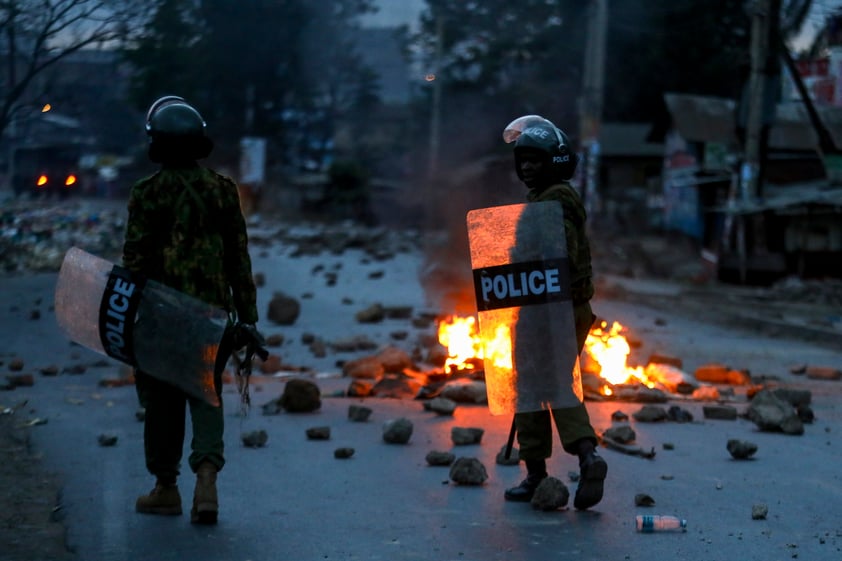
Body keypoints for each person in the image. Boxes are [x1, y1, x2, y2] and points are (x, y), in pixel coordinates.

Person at [122, 95, 259, 525]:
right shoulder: (222, 191)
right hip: (213, 319)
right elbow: (239, 257)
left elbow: (135, 264)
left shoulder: (146, 194)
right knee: (206, 392)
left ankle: (166, 488)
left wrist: (125, 321)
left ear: (157, 144)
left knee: (162, 401)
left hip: (161, 318)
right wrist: (248, 317)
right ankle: (206, 483)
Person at [501, 114, 607, 510]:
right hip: (560, 307)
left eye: (535, 160)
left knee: (533, 387)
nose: (527, 166)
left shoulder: (554, 201)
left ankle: (542, 472)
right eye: (523, 160)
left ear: (555, 162)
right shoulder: (552, 199)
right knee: (551, 382)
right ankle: (582, 457)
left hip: (551, 309)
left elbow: (551, 256)